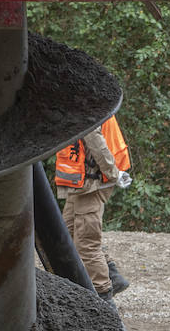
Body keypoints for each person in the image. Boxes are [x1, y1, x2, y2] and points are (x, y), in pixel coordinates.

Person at [54, 115, 132, 300]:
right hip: (82, 184)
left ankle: (104, 297)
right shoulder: (83, 98)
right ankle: (113, 276)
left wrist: (113, 173)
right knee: (68, 233)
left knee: (86, 244)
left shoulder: (83, 103)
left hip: (92, 183)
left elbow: (94, 138)